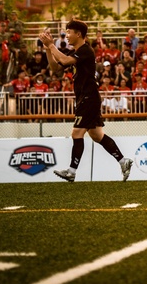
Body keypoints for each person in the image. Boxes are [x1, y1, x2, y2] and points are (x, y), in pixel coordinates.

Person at [38, 21, 132, 182]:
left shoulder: (86, 50)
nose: (67, 36)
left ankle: (72, 171)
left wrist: (52, 45)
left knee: (76, 133)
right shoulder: (75, 51)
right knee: (96, 135)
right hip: (86, 97)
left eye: (69, 32)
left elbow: (66, 61)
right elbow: (55, 68)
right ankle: (124, 161)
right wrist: (47, 48)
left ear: (79, 34)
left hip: (89, 97)